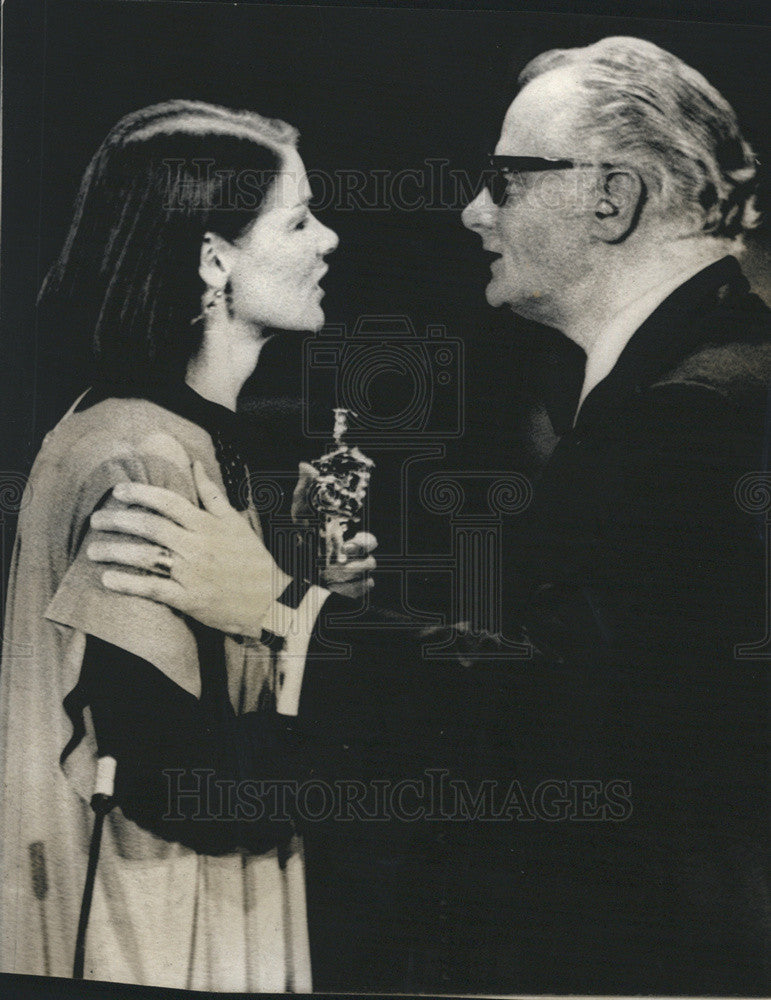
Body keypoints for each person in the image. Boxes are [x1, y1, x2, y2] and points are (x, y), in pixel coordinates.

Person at [78, 37, 769, 993]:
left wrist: (284, 608)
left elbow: (548, 718)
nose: (470, 209)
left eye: (504, 179)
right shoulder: (694, 382)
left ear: (612, 199)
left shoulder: (694, 411)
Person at [0, 99, 380, 990]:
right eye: (297, 219)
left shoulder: (163, 434)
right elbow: (181, 784)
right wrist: (362, 716)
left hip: (186, 920)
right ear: (214, 258)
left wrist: (303, 613)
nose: (328, 241)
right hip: (156, 935)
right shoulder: (142, 456)